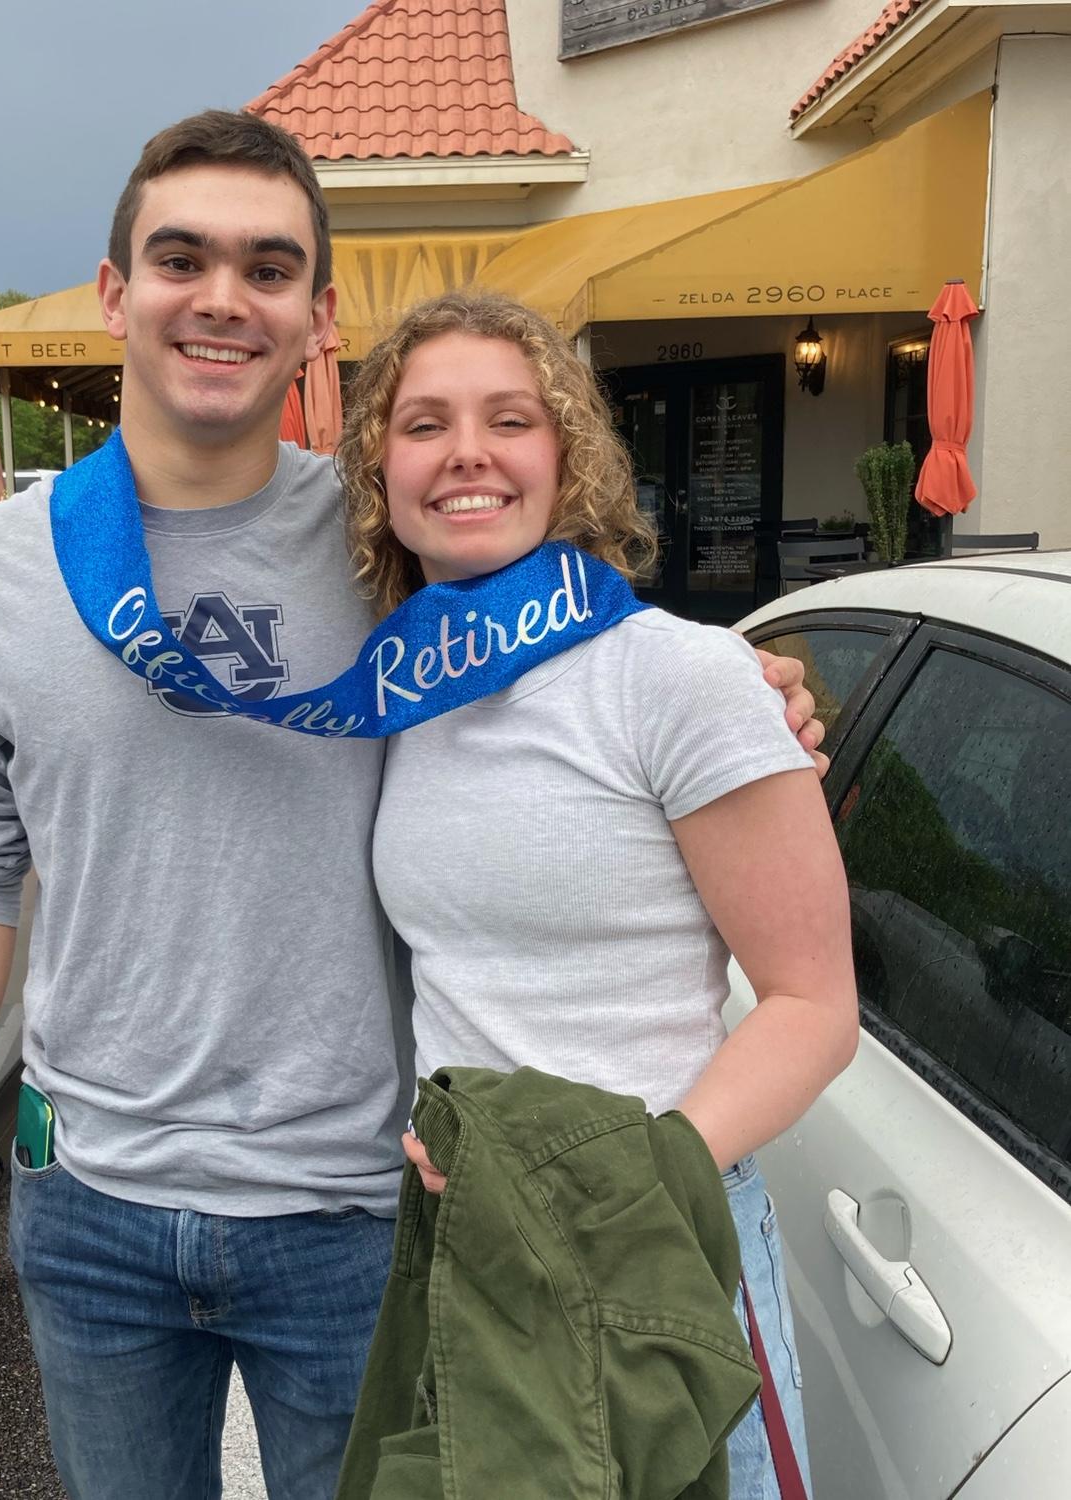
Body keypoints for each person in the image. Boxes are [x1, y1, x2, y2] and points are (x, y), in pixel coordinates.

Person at [0, 112, 826, 1500]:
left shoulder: (382, 541)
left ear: (318, 319)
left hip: (357, 1208)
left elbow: (570, 663)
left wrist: (753, 695)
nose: (224, 298)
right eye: (182, 260)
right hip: (92, 1199)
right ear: (114, 292)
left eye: (270, 269)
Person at [335, 290, 859, 1497]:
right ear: (379, 474)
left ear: (567, 457)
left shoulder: (678, 676)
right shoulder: (403, 691)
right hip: (475, 1244)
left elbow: (813, 1006)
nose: (467, 452)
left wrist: (627, 1183)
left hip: (655, 1229)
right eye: (425, 424)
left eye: (509, 419)